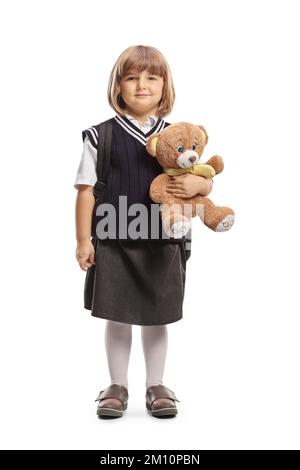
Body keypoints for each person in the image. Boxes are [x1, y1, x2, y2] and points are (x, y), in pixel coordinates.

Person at [74, 45, 213, 419]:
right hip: (114, 240)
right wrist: (84, 240)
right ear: (118, 85)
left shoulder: (180, 138)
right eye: (132, 77)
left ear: (164, 86)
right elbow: (86, 190)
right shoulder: (100, 136)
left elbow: (200, 184)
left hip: (163, 241)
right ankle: (116, 385)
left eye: (152, 77)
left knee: (158, 316)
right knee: (116, 316)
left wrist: (194, 190)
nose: (141, 85)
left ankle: (156, 385)